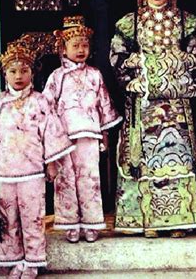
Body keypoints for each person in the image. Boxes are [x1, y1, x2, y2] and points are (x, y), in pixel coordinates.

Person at [109, 0, 196, 237]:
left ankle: (180, 219)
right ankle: (149, 221)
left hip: (178, 109)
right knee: (144, 161)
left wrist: (155, 66)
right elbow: (118, 59)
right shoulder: (128, 23)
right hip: (144, 108)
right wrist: (146, 72)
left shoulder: (189, 22)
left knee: (179, 158)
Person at [0, 40, 75, 278]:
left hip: (33, 171)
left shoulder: (40, 101)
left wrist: (51, 163)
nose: (18, 76)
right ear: (5, 74)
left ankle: (31, 262)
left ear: (32, 72)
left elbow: (51, 133)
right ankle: (13, 259)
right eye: (13, 71)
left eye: (24, 70)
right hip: (5, 172)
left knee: (32, 218)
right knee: (8, 218)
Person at [43, 15, 122, 243]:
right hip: (63, 139)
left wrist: (104, 133)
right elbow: (46, 109)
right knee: (65, 179)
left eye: (84, 45)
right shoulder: (56, 77)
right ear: (63, 48)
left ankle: (91, 223)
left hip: (89, 135)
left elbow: (104, 104)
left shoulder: (95, 75)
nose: (80, 49)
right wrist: (50, 141)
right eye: (75, 45)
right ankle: (70, 224)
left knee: (89, 178)